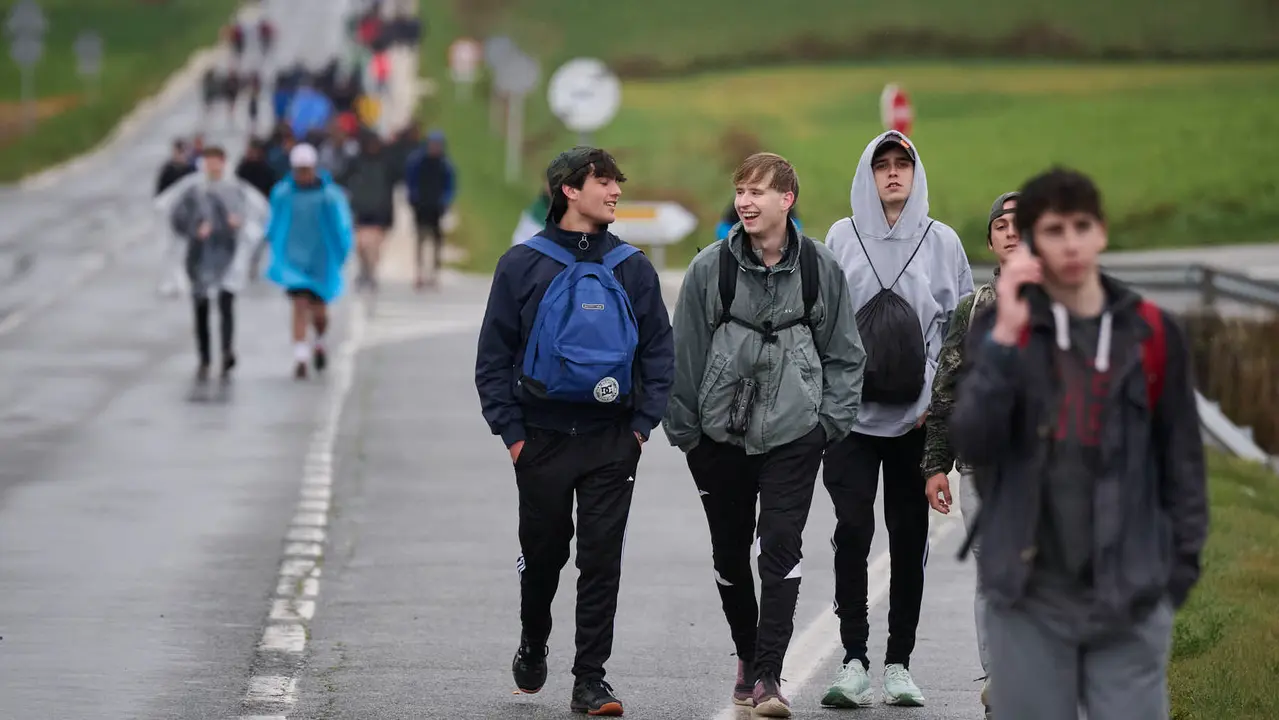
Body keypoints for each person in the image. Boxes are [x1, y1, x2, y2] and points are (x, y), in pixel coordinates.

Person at [950, 168, 1207, 720]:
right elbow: (972, 436)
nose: (1067, 242)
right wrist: (1002, 343)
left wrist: (1174, 578)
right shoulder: (998, 326)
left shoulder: (1152, 333)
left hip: (1128, 596)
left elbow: (1183, 463)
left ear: (1101, 232)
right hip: (1028, 599)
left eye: (1079, 226)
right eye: (1052, 229)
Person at [662, 153, 865, 718]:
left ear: (787, 200)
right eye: (741, 191)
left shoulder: (821, 268)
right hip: (718, 439)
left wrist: (828, 425)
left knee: (779, 546)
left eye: (758, 192)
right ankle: (748, 657)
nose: (746, 202)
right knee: (729, 553)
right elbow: (684, 356)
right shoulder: (711, 268)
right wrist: (687, 437)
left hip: (796, 434)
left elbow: (846, 356)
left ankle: (770, 677)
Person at [474, 146, 674, 717]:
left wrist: (641, 427)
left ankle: (591, 680)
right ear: (569, 190)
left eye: (617, 183)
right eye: (603, 182)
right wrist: (512, 434)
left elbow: (660, 349)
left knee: (601, 559)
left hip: (612, 440)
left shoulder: (632, 267)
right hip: (539, 438)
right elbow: (494, 357)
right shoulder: (520, 264)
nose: (615, 191)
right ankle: (533, 642)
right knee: (543, 557)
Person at [819, 130, 973, 707]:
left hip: (916, 421)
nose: (891, 174)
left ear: (915, 173)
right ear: (867, 172)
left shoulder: (943, 242)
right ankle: (853, 658)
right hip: (852, 423)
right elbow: (824, 320)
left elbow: (955, 328)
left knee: (909, 541)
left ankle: (899, 663)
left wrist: (936, 403)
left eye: (901, 165)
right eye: (881, 165)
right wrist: (832, 397)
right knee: (852, 533)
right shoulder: (840, 236)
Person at [919, 190, 1021, 718]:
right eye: (1000, 224)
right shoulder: (973, 309)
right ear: (991, 240)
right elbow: (946, 390)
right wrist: (935, 464)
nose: (1011, 229)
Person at [166, 145, 270, 382]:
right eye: (208, 161)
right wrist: (195, 229)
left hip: (228, 254)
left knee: (226, 302)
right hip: (199, 256)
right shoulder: (192, 191)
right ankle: (204, 357)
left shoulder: (237, 191)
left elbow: (256, 217)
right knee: (201, 306)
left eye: (216, 161)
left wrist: (239, 223)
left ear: (224, 163)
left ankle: (226, 351)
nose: (212, 166)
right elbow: (176, 218)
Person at [264, 143, 355, 379]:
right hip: (294, 261)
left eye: (306, 169)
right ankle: (301, 356)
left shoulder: (329, 196)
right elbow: (274, 223)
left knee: (320, 313)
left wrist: (342, 252)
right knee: (300, 305)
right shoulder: (283, 194)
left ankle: (320, 341)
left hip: (321, 261)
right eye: (299, 170)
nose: (303, 175)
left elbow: (341, 226)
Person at [338, 132, 401, 291]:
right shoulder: (356, 162)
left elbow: (399, 176)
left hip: (380, 211)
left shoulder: (387, 163)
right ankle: (363, 271)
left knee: (374, 247)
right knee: (360, 245)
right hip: (360, 209)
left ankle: (371, 273)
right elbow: (342, 178)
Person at [404, 130, 457, 289]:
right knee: (420, 239)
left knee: (436, 241)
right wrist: (413, 198)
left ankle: (434, 273)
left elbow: (450, 186)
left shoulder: (445, 165)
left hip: (437, 207)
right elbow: (410, 181)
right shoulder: (418, 162)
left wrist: (445, 201)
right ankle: (419, 272)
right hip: (421, 206)